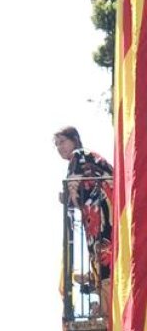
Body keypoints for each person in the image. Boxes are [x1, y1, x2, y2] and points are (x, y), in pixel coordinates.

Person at [55, 126, 114, 317]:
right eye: (57, 145)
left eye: (62, 141)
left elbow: (73, 189)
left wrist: (67, 197)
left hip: (102, 212)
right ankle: (104, 302)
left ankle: (106, 307)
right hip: (102, 213)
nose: (59, 147)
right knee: (103, 256)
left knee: (103, 255)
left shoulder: (78, 155)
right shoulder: (88, 156)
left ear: (75, 140)